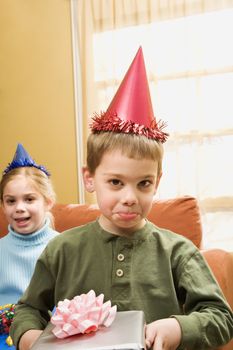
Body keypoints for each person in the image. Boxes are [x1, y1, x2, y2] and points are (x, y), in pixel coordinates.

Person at [10, 48, 233, 350]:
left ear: (157, 182)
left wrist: (178, 327)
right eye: (115, 182)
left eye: (144, 183)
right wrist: (32, 338)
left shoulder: (178, 252)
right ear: (89, 178)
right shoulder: (61, 249)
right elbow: (27, 309)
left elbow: (221, 317)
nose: (130, 197)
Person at [0, 144, 59, 348]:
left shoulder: (64, 246)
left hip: (48, 335)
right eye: (11, 201)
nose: (19, 208)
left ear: (48, 202)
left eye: (29, 199)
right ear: (2, 205)